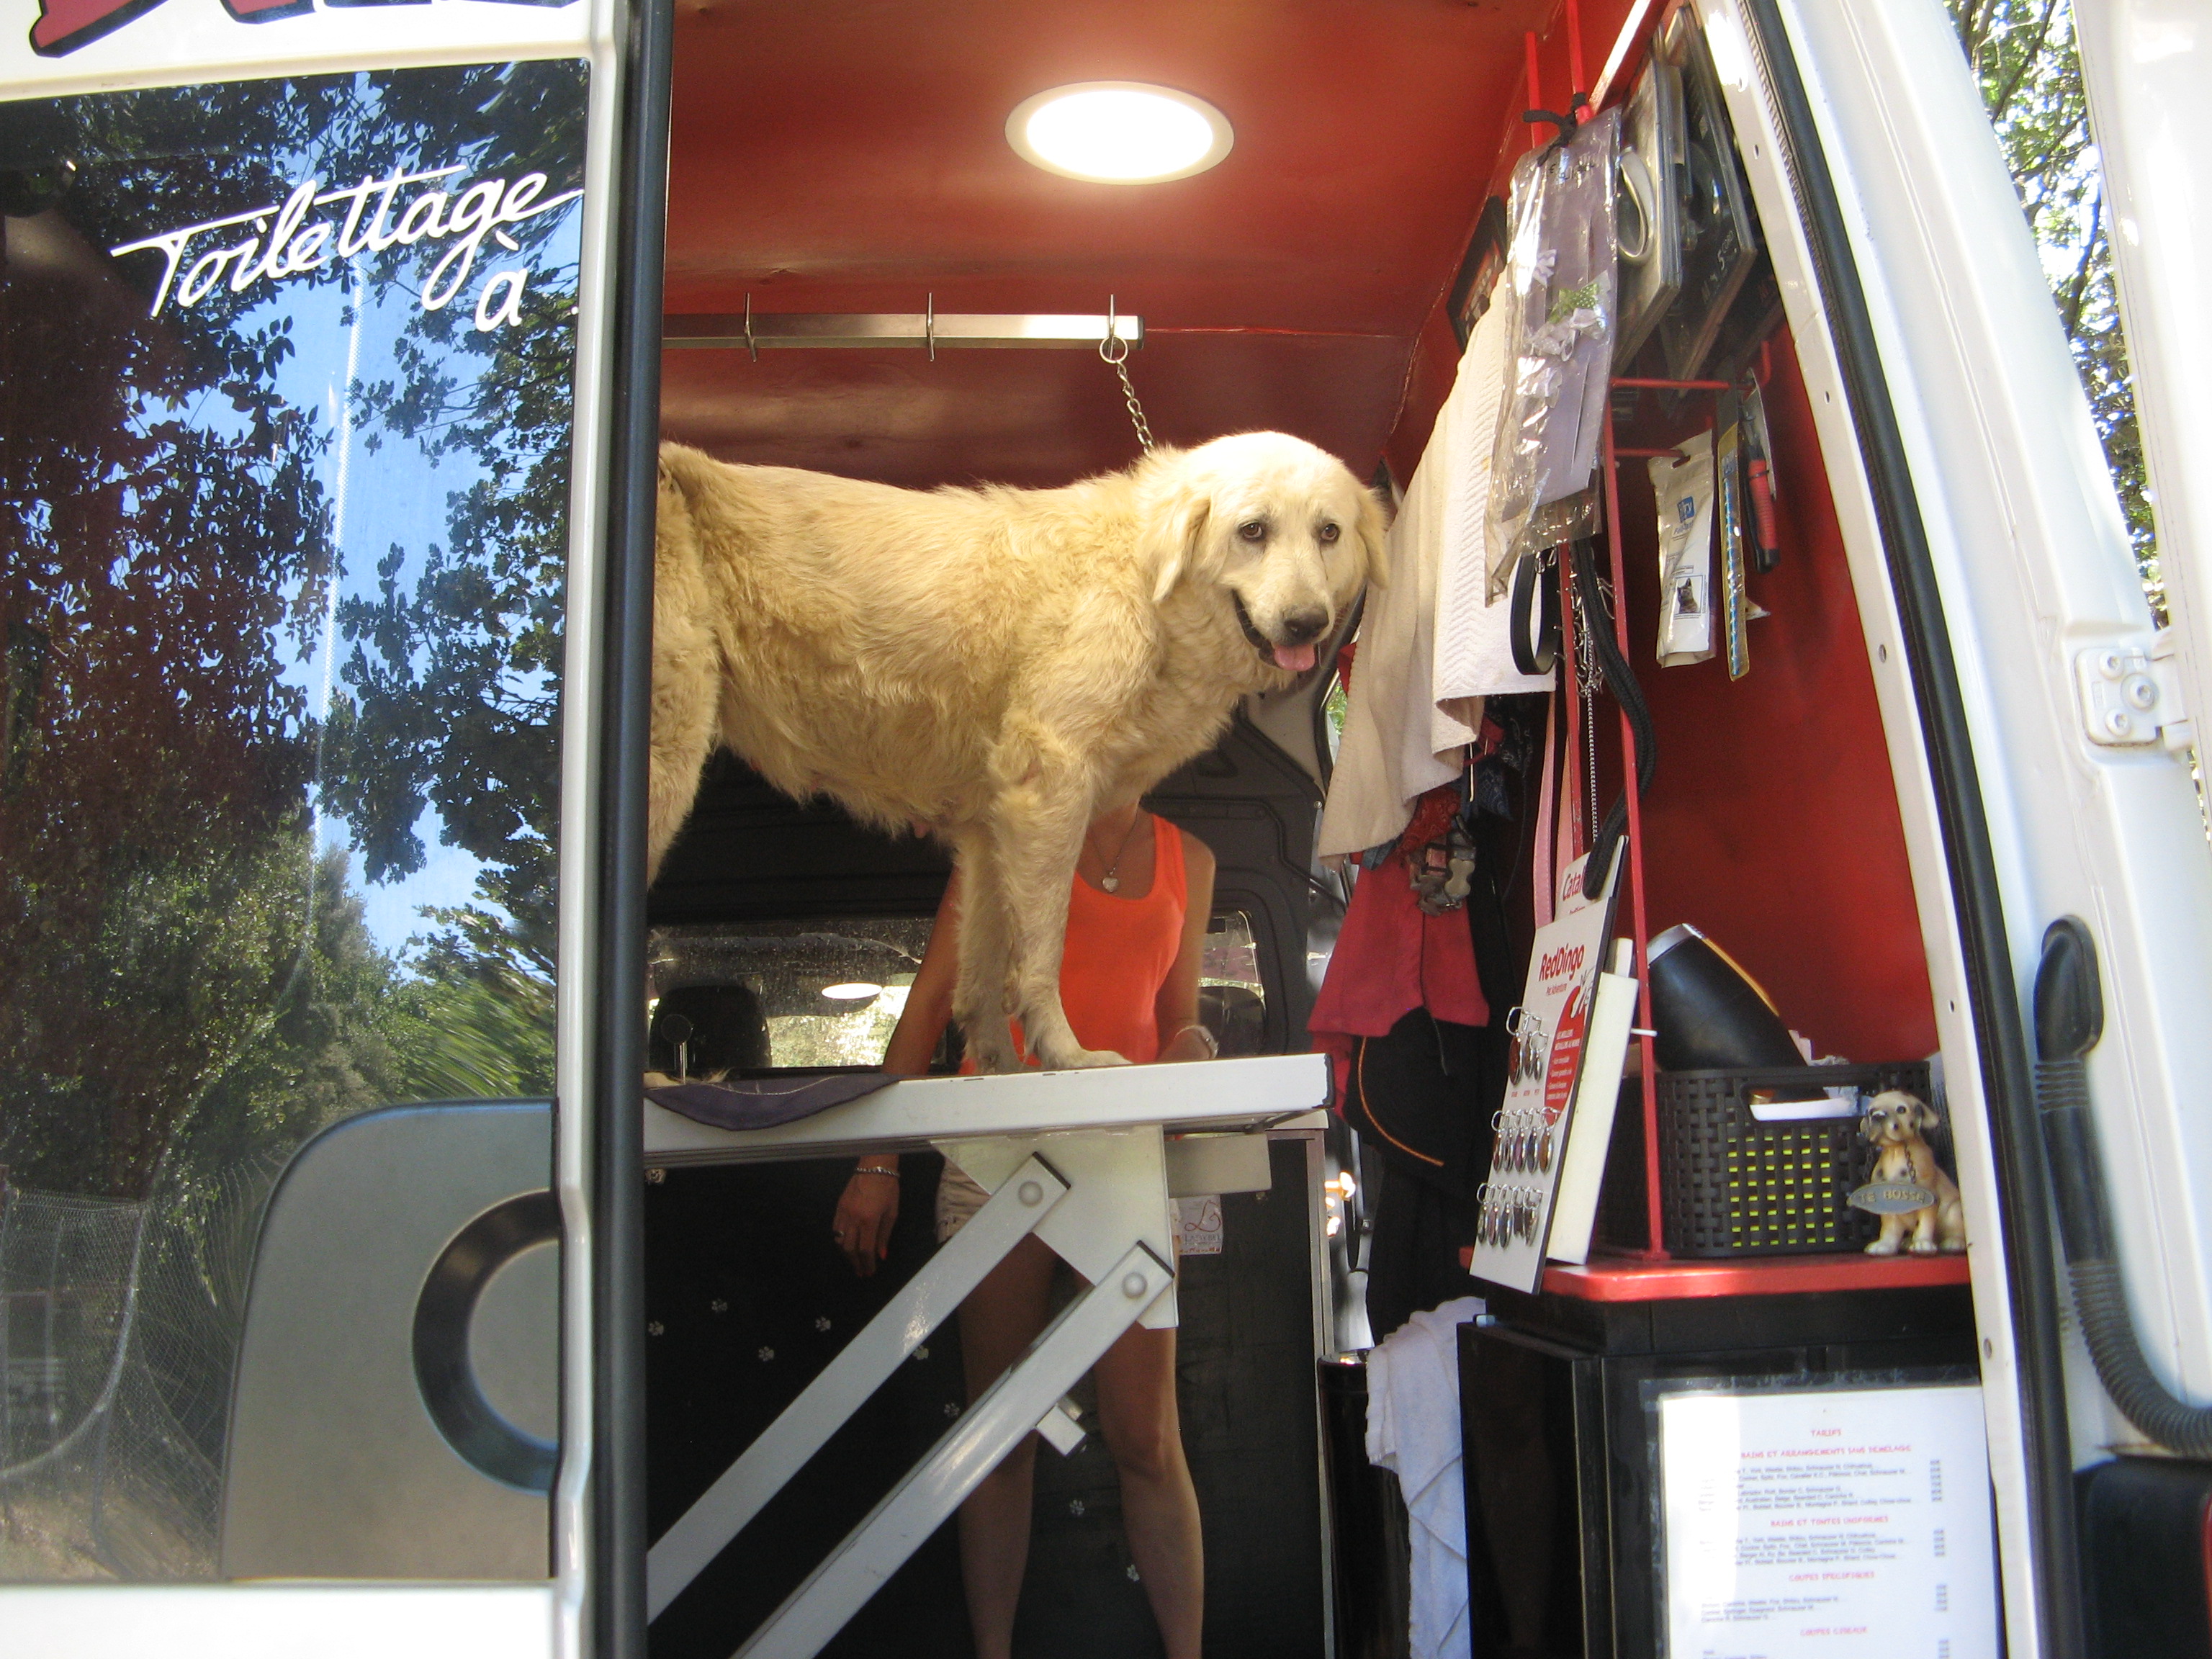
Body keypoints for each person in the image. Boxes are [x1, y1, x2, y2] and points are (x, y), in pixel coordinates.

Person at [831, 800, 1218, 1659]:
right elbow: (934, 1002)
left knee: (1148, 1439)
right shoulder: (1005, 832)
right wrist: (877, 1163)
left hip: (1121, 1155)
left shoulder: (1191, 856)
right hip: (997, 1147)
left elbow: (1178, 1017)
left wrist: (1195, 1047)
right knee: (998, 1433)